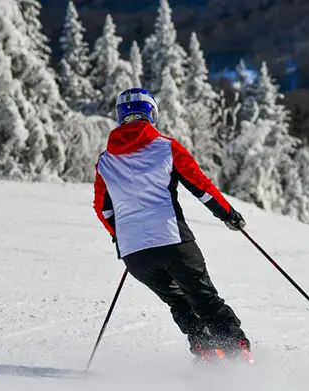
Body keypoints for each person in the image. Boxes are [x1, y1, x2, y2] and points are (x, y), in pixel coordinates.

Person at [93, 88, 250, 360]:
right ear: (152, 114)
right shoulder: (165, 147)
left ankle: (207, 354)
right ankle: (238, 355)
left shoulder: (105, 162)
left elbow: (103, 209)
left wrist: (120, 235)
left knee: (178, 301)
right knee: (204, 298)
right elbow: (200, 187)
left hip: (135, 254)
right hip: (172, 242)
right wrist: (228, 214)